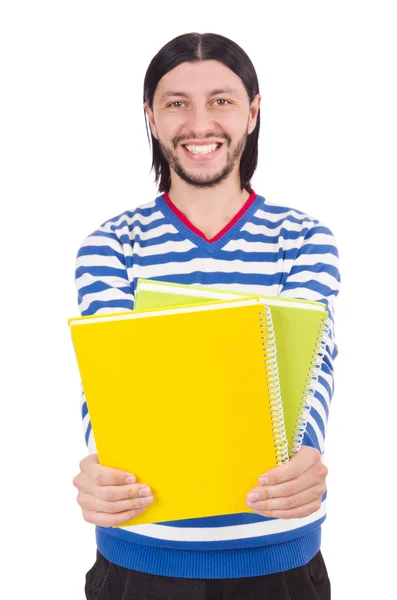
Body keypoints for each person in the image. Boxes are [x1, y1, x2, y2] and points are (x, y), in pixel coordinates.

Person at [72, 32, 340, 600]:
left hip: (279, 559)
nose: (200, 124)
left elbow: (314, 370)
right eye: (176, 103)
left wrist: (306, 455)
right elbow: (108, 386)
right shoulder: (110, 245)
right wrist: (106, 467)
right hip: (139, 558)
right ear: (150, 117)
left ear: (253, 112)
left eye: (221, 100)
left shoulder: (304, 239)